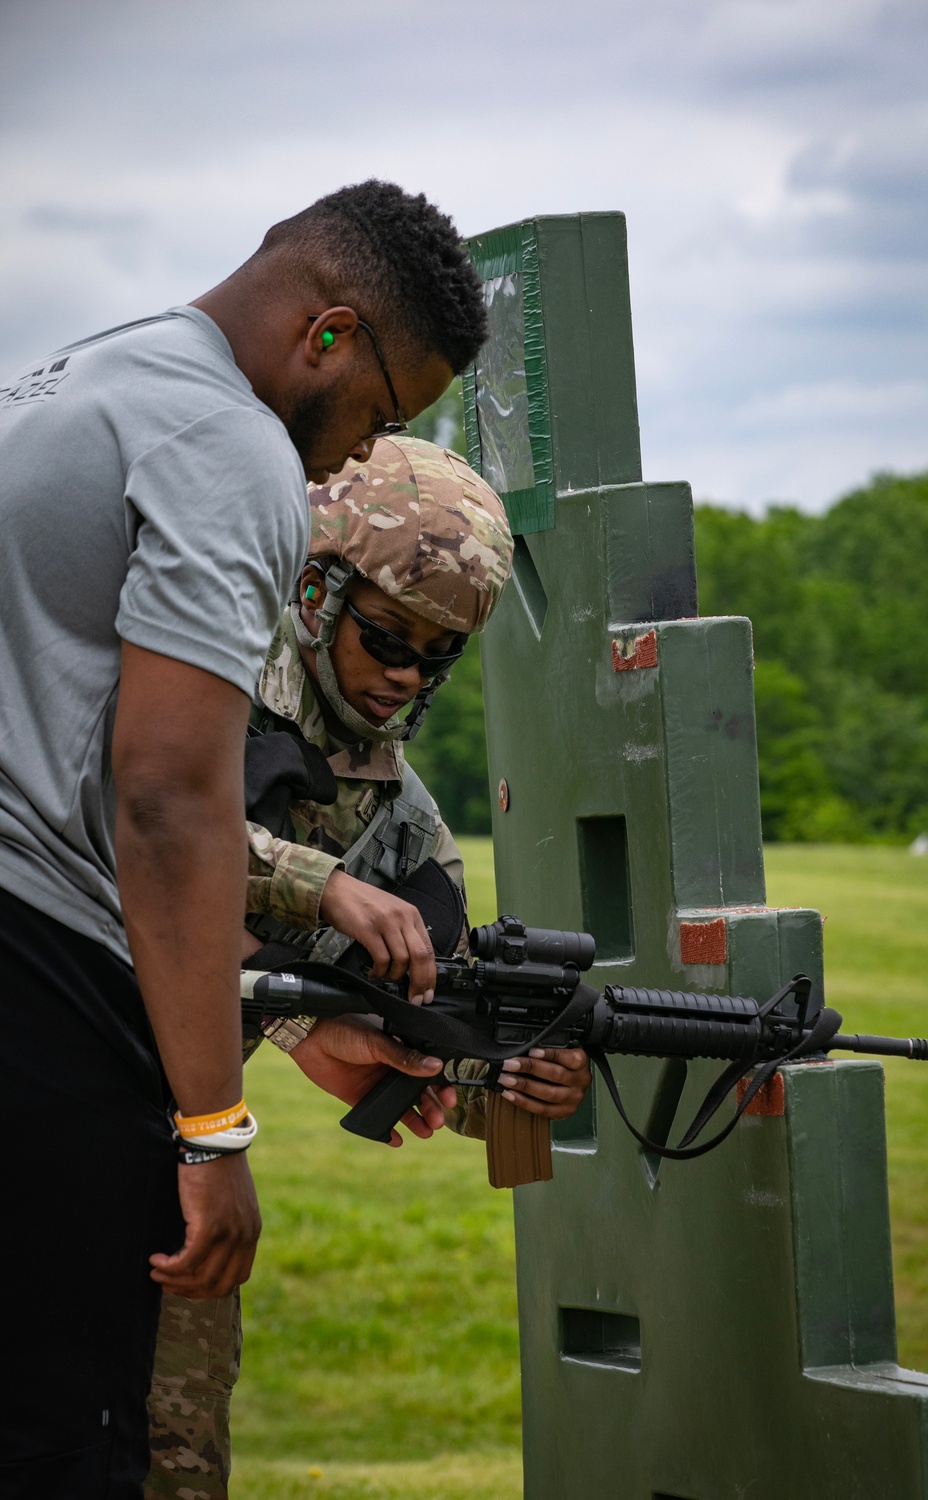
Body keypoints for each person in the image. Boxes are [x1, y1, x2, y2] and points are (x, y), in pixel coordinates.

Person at [0, 179, 495, 1498]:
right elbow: (168, 798)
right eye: (381, 413)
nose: (349, 461)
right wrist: (214, 1131)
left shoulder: (70, 380)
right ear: (326, 334)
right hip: (44, 992)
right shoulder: (232, 447)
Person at [144, 436, 592, 1499]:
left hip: (184, 1163)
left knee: (172, 1463)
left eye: (436, 658)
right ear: (315, 588)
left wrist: (518, 1078)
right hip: (64, 1096)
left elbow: (431, 1021)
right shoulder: (195, 670)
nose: (403, 676)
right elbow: (138, 822)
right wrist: (321, 893)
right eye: (388, 637)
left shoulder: (396, 820)